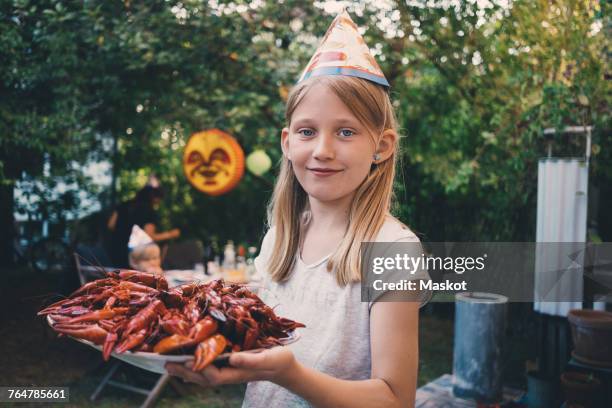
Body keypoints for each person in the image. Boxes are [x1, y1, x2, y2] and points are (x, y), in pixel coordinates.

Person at [166, 10, 430, 407]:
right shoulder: (280, 238)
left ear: (382, 146)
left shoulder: (394, 250)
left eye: (346, 131)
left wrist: (288, 374)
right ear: (288, 143)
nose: (322, 151)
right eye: (308, 131)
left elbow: (395, 399)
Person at [107, 185, 180, 268]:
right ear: (154, 198)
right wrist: (170, 234)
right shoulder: (149, 211)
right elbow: (150, 236)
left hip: (116, 250)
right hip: (136, 255)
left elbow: (110, 225)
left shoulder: (123, 205)